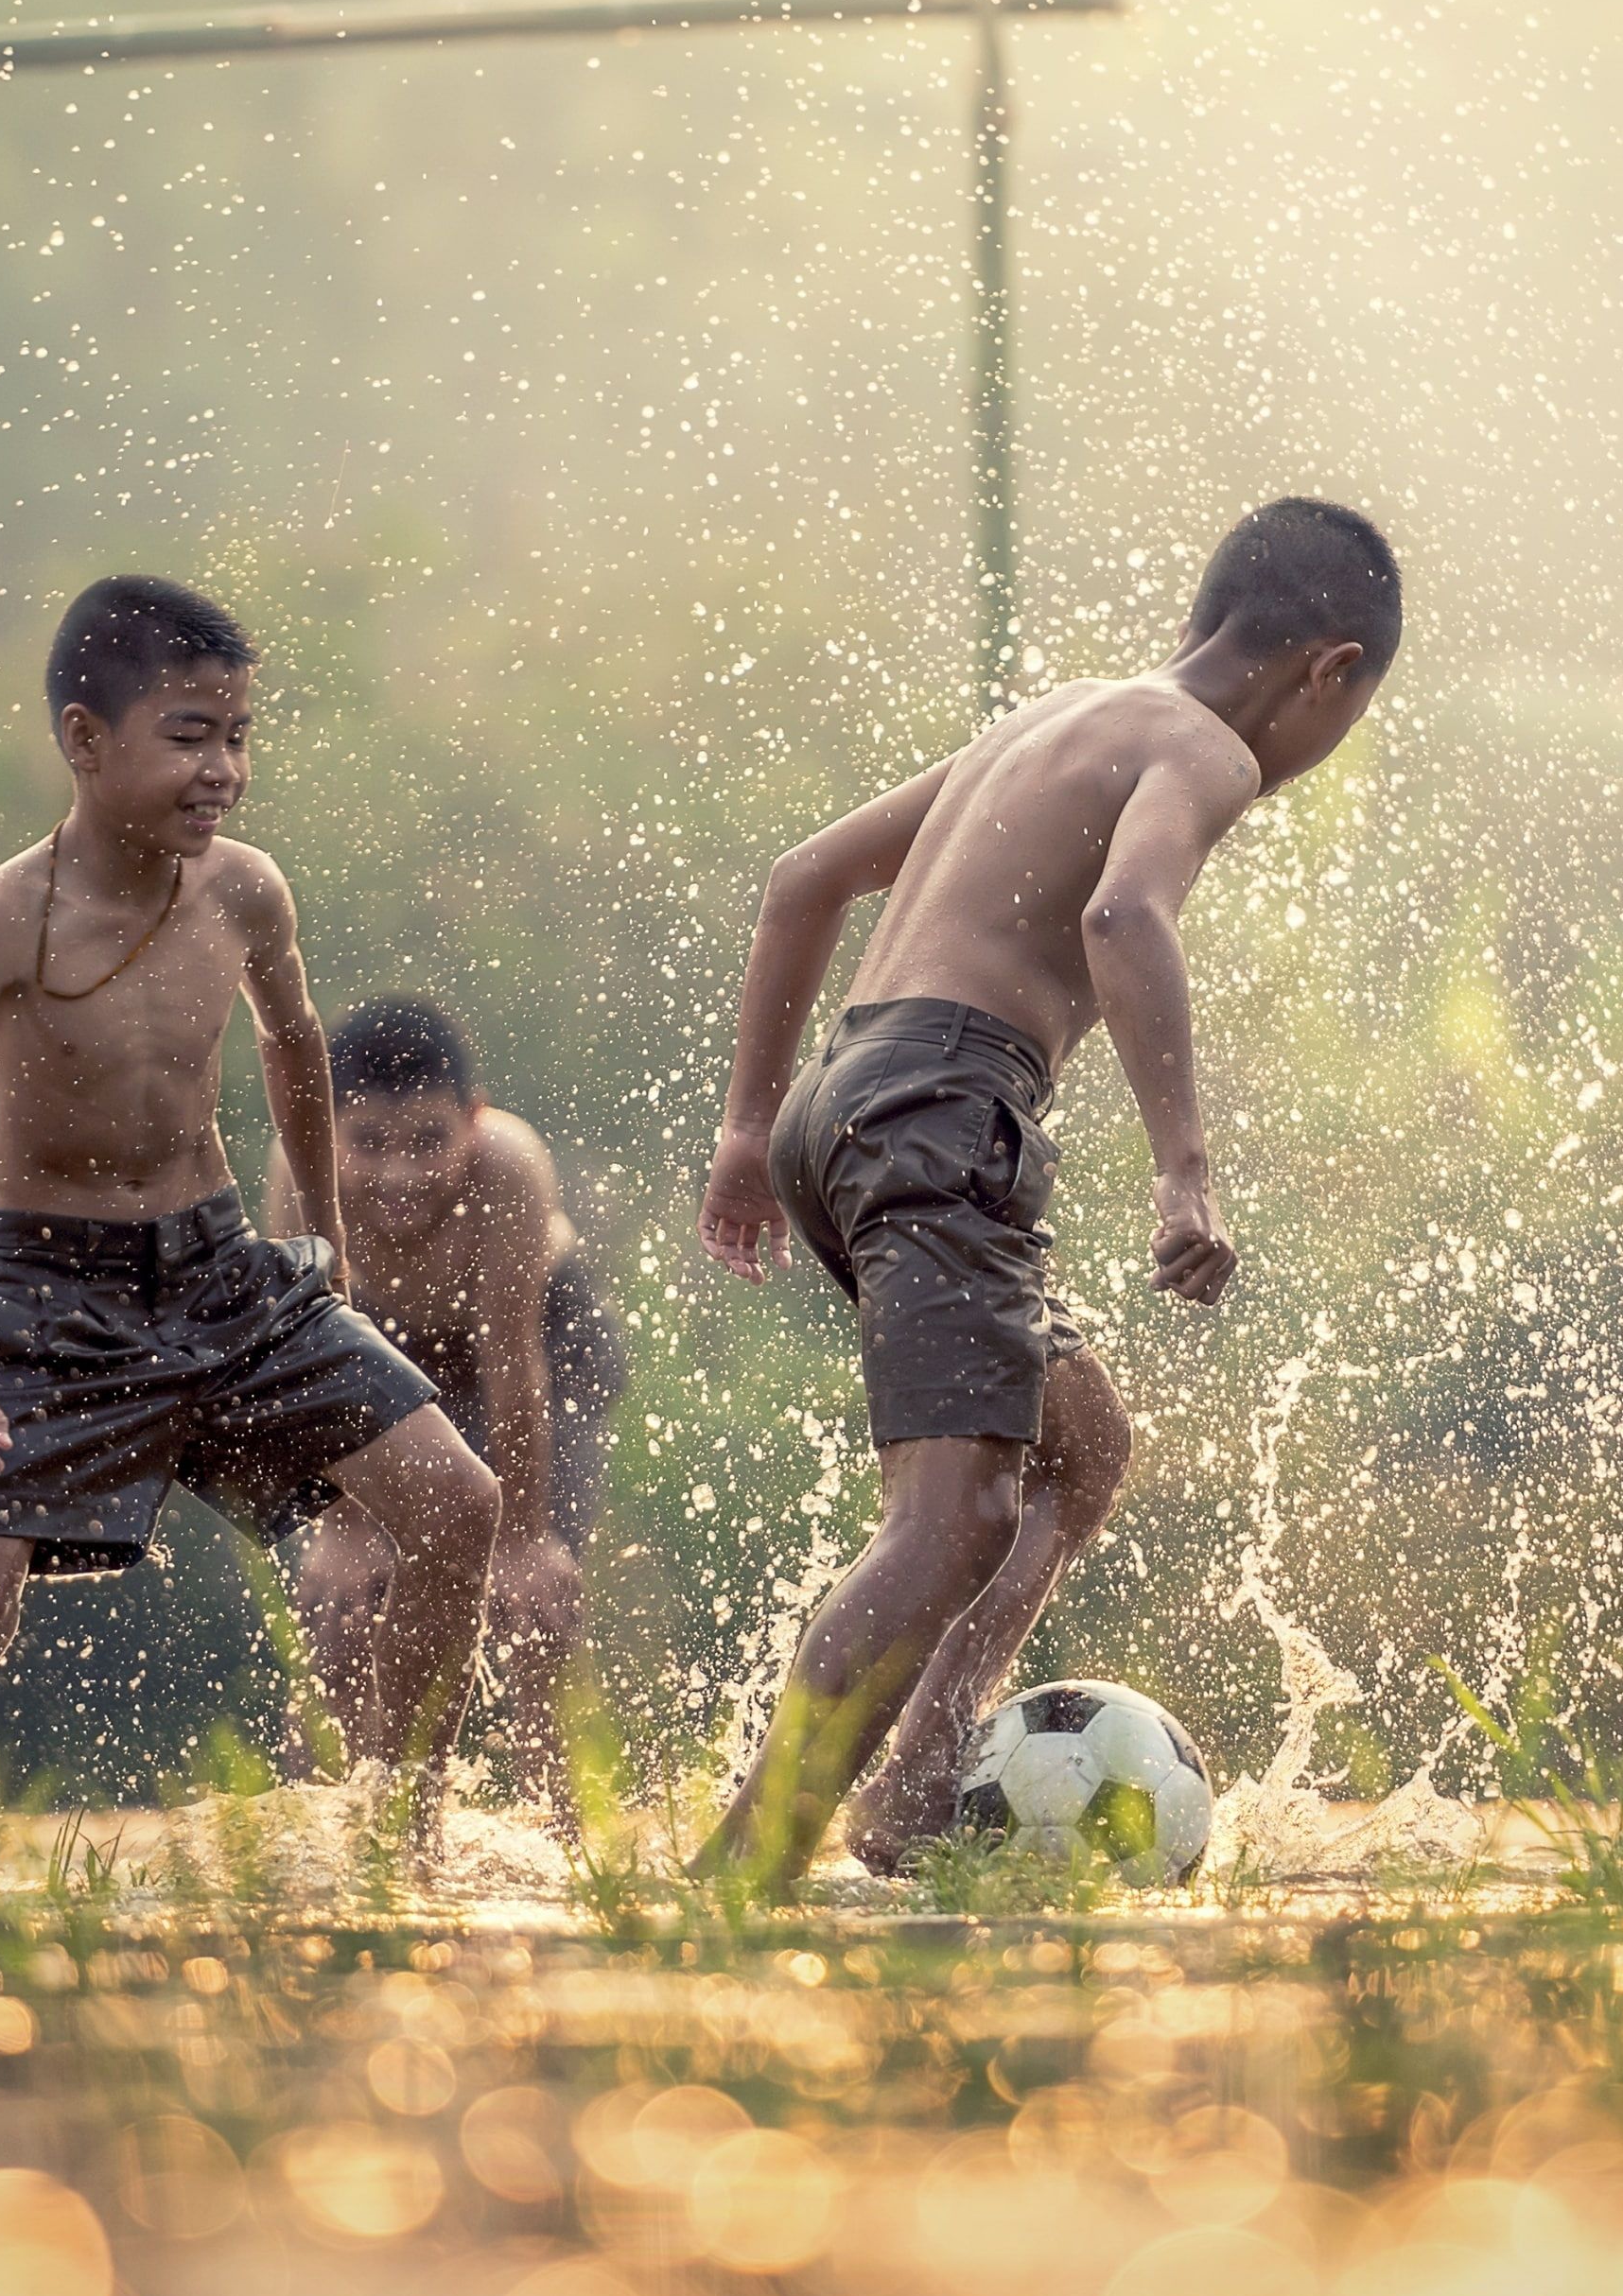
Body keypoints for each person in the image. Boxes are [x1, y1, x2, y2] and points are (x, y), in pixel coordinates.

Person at [692, 498, 1403, 1892]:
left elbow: (803, 881)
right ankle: (738, 1878)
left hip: (848, 1097)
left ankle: (910, 1787)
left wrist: (742, 1126)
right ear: (1327, 669)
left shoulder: (1068, 712)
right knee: (949, 1519)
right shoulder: (1203, 749)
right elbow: (1124, 916)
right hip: (949, 1103)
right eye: (1351, 710)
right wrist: (1184, 1174)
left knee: (1078, 1448)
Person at [0, 575, 500, 1854]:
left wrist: (326, 1252)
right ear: (87, 740)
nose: (224, 769)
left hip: (225, 1273)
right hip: (48, 1295)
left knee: (459, 1504)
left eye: (238, 735)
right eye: (189, 734)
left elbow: (296, 1046)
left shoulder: (245, 892)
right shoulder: (4, 920)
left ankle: (403, 1839)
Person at [266, 998, 626, 1812]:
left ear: (475, 1119)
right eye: (368, 1144)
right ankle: (326, 1821)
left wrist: (525, 1538)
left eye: (430, 1141)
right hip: (370, 1353)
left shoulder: (509, 1166)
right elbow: (308, 1361)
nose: (400, 1175)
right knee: (346, 1606)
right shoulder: (299, 1174)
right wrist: (344, 1527)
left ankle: (563, 1828)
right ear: (327, 1131)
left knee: (534, 1606)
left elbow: (513, 1362)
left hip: (533, 1349)